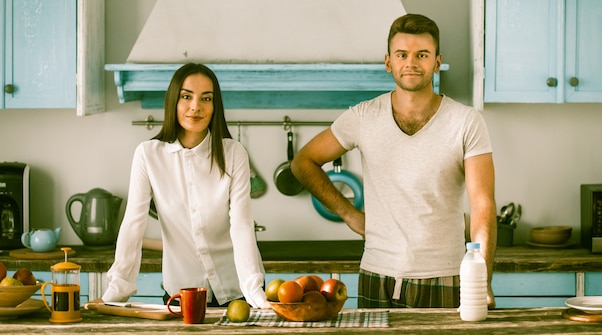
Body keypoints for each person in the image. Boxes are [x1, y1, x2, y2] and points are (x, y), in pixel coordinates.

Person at [291, 14, 497, 309]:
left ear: (436, 62)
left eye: (422, 55)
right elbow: (303, 162)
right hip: (378, 273)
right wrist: (350, 215)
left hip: (447, 275)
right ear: (389, 62)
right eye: (402, 54)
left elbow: (482, 205)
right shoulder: (363, 116)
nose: (411, 63)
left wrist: (482, 280)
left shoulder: (466, 122)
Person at [100, 63, 268, 308]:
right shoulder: (148, 155)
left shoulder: (234, 154)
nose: (195, 107)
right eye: (186, 96)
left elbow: (241, 226)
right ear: (173, 101)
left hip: (239, 290)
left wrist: (255, 294)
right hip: (181, 294)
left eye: (206, 98)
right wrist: (115, 292)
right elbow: (133, 225)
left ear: (215, 106)